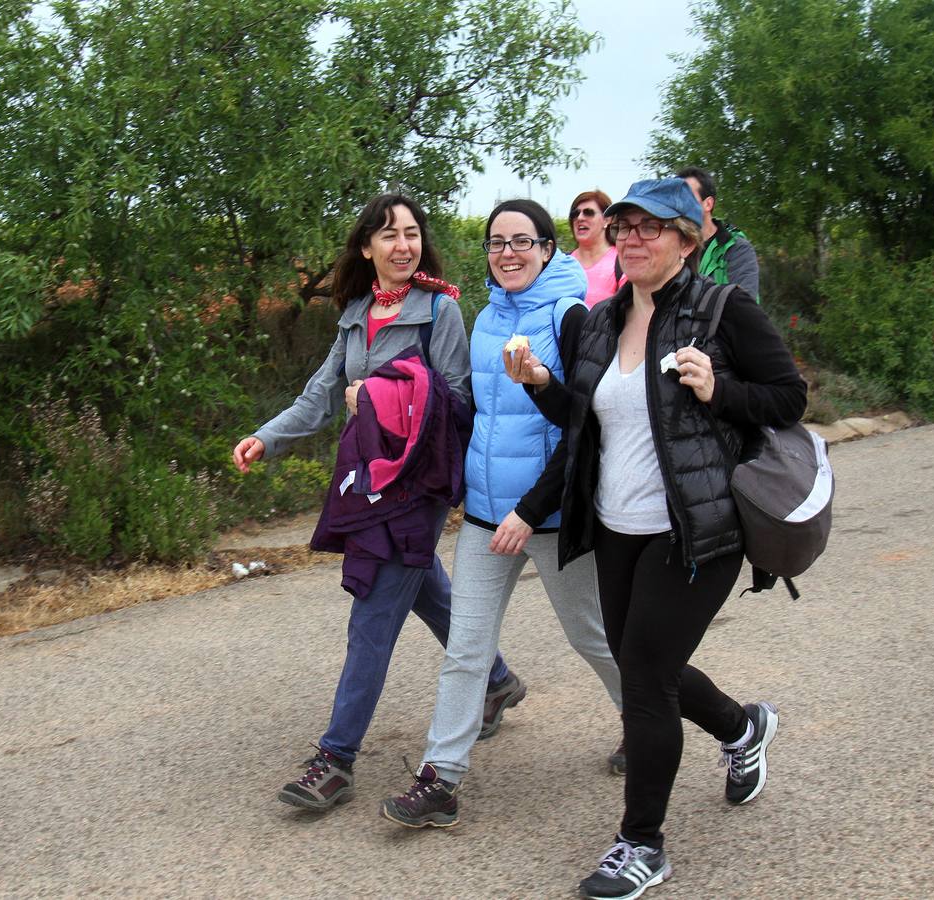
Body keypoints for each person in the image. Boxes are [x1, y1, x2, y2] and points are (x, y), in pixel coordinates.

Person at [504, 178, 806, 899]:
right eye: (623, 227)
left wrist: (719, 390)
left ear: (686, 238)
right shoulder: (601, 321)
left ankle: (642, 844)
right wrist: (541, 382)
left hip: (696, 529)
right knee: (649, 668)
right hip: (617, 528)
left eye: (650, 227)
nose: (631, 238)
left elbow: (788, 398)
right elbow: (585, 420)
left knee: (642, 678)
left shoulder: (723, 311)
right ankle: (742, 727)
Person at [231, 194, 516, 814]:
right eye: (388, 235)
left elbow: (457, 400)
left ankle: (336, 760)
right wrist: (266, 437)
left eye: (412, 233)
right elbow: (319, 396)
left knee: (372, 615)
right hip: (371, 478)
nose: (403, 245)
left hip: (418, 485)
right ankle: (496, 681)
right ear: (366, 248)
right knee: (421, 586)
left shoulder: (438, 310)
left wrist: (381, 398)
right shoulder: (356, 315)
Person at [380, 199, 625, 829]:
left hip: (549, 516)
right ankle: (441, 779)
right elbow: (475, 414)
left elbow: (585, 426)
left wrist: (532, 508)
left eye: (522, 241)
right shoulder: (486, 318)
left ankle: (643, 721)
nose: (507, 253)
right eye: (496, 243)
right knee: (466, 649)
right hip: (488, 515)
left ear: (547, 248)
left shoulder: (572, 317)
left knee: (592, 636)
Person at [677, 165, 761, 300]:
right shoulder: (671, 248)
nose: (679, 205)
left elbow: (745, 305)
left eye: (687, 198)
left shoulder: (737, 249)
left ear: (708, 204)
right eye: (676, 199)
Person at [568, 190, 622, 306]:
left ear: (607, 219)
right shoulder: (562, 263)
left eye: (588, 212)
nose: (580, 218)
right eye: (575, 214)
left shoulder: (623, 261)